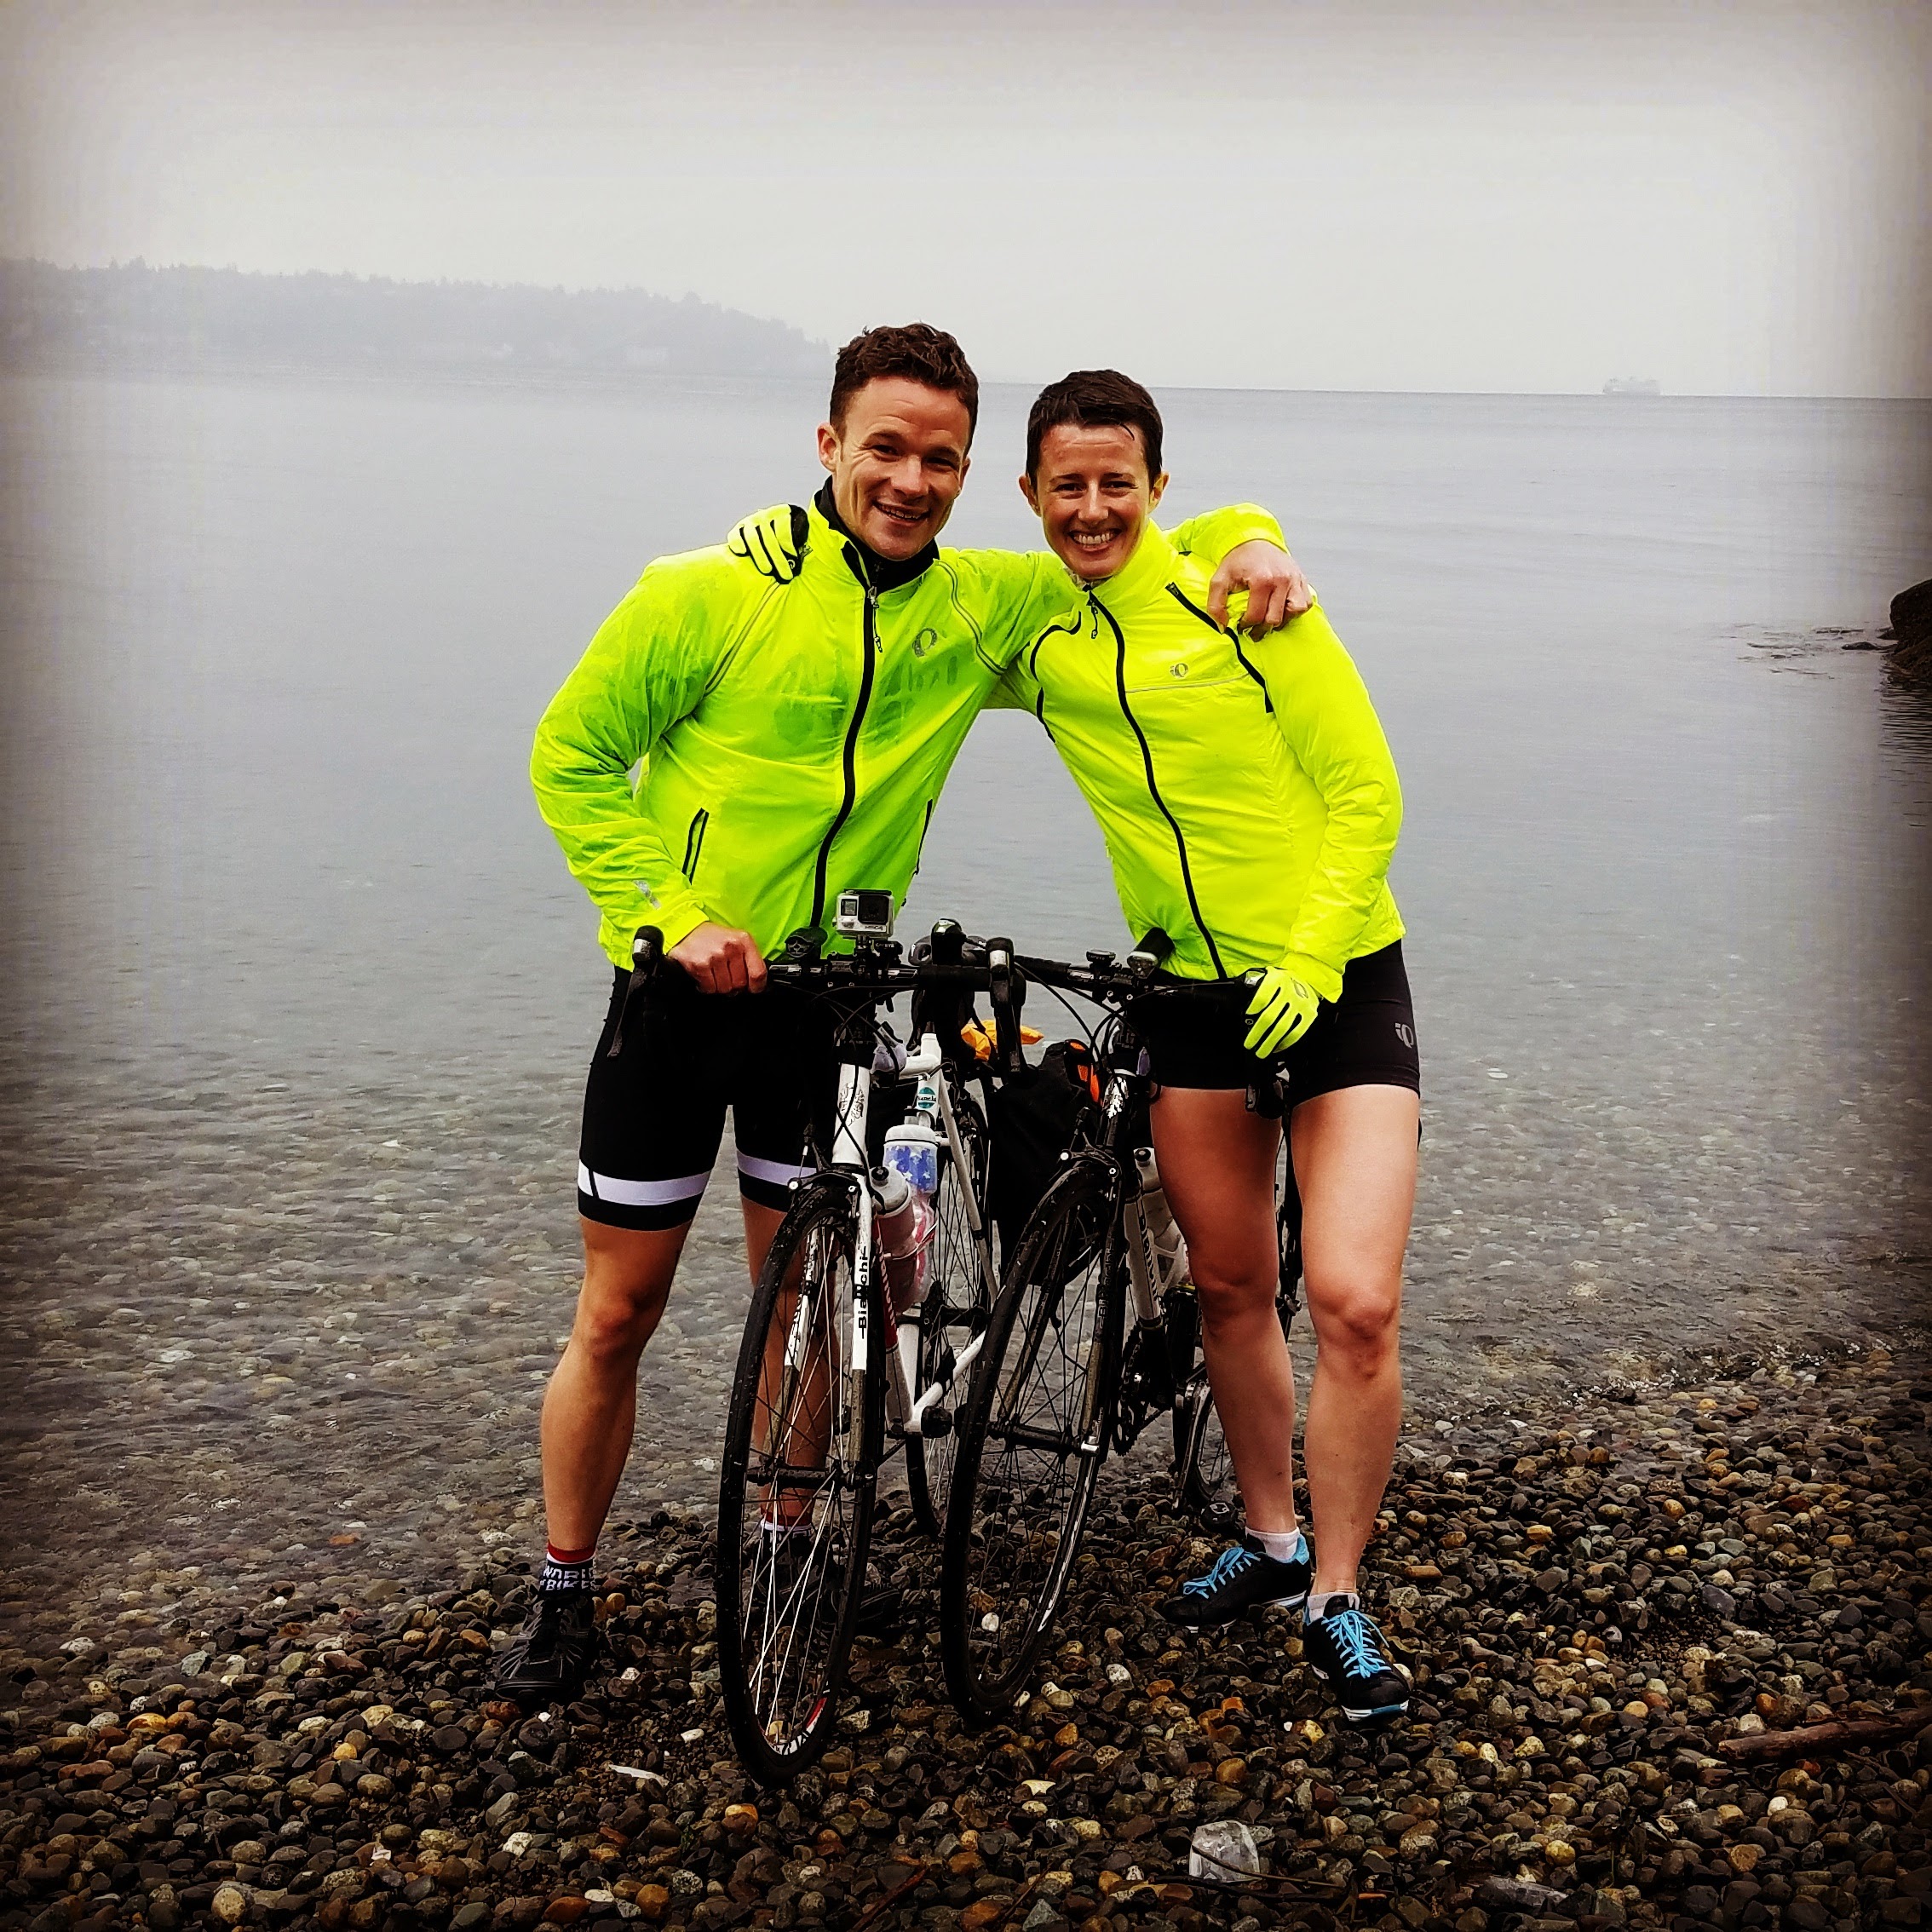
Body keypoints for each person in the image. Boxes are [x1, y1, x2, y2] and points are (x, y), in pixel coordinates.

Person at [503, 324, 1309, 1705]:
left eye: (940, 458)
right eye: (884, 447)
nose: (910, 479)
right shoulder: (708, 591)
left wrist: (1249, 535)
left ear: (967, 471)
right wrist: (666, 912)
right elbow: (571, 756)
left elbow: (1121, 552)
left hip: (828, 1007)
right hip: (680, 996)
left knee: (808, 1300)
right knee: (620, 1308)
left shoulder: (982, 607)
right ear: (829, 446)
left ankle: (786, 1548)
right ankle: (564, 1583)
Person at [999, 370, 1419, 1728]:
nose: (1094, 506)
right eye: (1068, 483)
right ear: (1032, 496)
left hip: (1338, 977)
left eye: (1118, 481)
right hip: (1187, 999)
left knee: (1353, 1301)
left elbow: (1366, 789)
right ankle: (1271, 1532)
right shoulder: (1041, 636)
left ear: (1158, 489)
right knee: (1233, 1293)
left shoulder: (1245, 600)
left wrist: (1307, 951)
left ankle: (1339, 1598)